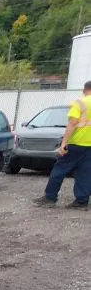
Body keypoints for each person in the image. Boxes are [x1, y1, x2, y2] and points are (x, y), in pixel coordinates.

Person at [33, 80, 91, 210]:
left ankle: (50, 198)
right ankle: (81, 201)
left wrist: (64, 143)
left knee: (59, 170)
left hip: (76, 144)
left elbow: (72, 124)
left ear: (84, 89)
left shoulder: (80, 103)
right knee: (85, 173)